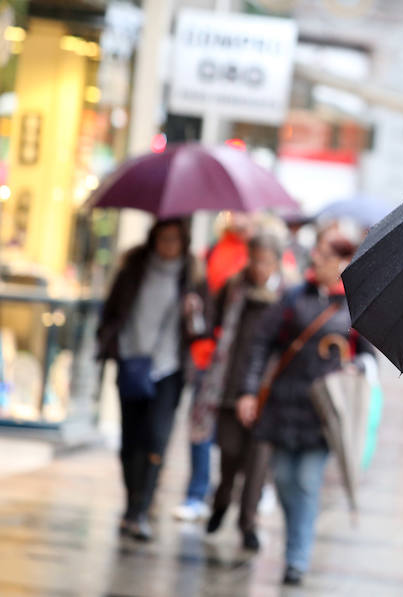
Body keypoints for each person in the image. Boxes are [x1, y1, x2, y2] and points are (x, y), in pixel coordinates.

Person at [238, 224, 372, 586]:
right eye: (317, 253)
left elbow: (370, 358)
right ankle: (296, 543)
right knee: (283, 479)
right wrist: (249, 391)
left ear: (345, 261)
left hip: (324, 413)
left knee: (307, 482)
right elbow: (260, 343)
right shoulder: (294, 297)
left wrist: (355, 366)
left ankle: (296, 557)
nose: (317, 259)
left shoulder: (357, 307)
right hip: (283, 405)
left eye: (326, 255)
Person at [97, 218, 203, 541]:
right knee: (131, 439)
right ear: (153, 238)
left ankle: (141, 509)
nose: (168, 245)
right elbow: (111, 310)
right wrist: (110, 341)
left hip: (169, 369)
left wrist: (193, 313)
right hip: (132, 362)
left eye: (174, 239)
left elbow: (203, 328)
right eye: (163, 238)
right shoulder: (133, 268)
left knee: (156, 439)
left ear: (183, 242)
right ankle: (131, 503)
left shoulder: (193, 277)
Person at [195, 233, 285, 551]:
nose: (258, 267)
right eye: (254, 259)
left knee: (258, 461)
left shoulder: (286, 296)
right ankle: (221, 501)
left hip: (266, 391)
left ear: (276, 262)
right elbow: (212, 322)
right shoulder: (234, 288)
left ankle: (248, 523)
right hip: (231, 384)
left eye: (264, 261)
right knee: (230, 454)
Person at [174, 212, 255, 522]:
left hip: (242, 363)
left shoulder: (264, 255)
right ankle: (197, 492)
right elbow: (204, 300)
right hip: (209, 356)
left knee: (236, 434)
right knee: (200, 425)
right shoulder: (212, 252)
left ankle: (240, 492)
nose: (240, 219)